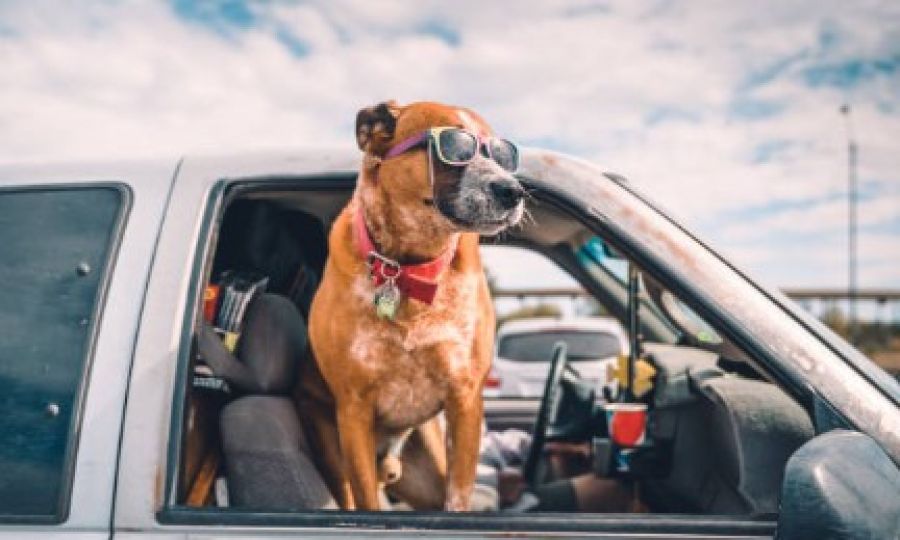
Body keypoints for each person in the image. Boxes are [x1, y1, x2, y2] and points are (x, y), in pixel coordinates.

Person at [472, 428, 642, 513]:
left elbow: (487, 442)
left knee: (562, 461)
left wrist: (547, 446)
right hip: (497, 513)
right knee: (614, 490)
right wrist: (493, 484)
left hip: (505, 485)